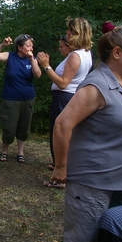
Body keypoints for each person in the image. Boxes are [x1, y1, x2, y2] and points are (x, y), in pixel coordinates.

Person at [48, 24, 122, 242]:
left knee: (109, 239)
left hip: (120, 182)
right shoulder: (97, 85)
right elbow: (62, 124)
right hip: (93, 185)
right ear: (116, 52)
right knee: (84, 240)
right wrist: (61, 166)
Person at [36, 17, 93, 171]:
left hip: (64, 98)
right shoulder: (86, 52)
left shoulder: (75, 56)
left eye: (69, 30)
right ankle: (62, 165)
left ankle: (60, 168)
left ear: (77, 33)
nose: (67, 33)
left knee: (60, 133)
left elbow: (62, 83)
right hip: (72, 97)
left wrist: (46, 66)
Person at [0, 34, 41, 163]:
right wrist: (2, 45)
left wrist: (32, 60)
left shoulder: (32, 59)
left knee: (24, 126)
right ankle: (4, 151)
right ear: (19, 47)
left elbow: (38, 74)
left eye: (31, 45)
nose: (31, 48)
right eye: (28, 46)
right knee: (9, 127)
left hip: (28, 98)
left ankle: (20, 152)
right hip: (10, 98)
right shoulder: (10, 56)